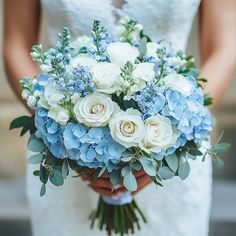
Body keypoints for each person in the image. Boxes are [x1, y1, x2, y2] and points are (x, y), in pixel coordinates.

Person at [3, 0, 236, 236]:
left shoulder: (170, 142)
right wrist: (62, 131)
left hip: (170, 148)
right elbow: (16, 46)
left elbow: (223, 50)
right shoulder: (65, 140)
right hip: (65, 157)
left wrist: (168, 142)